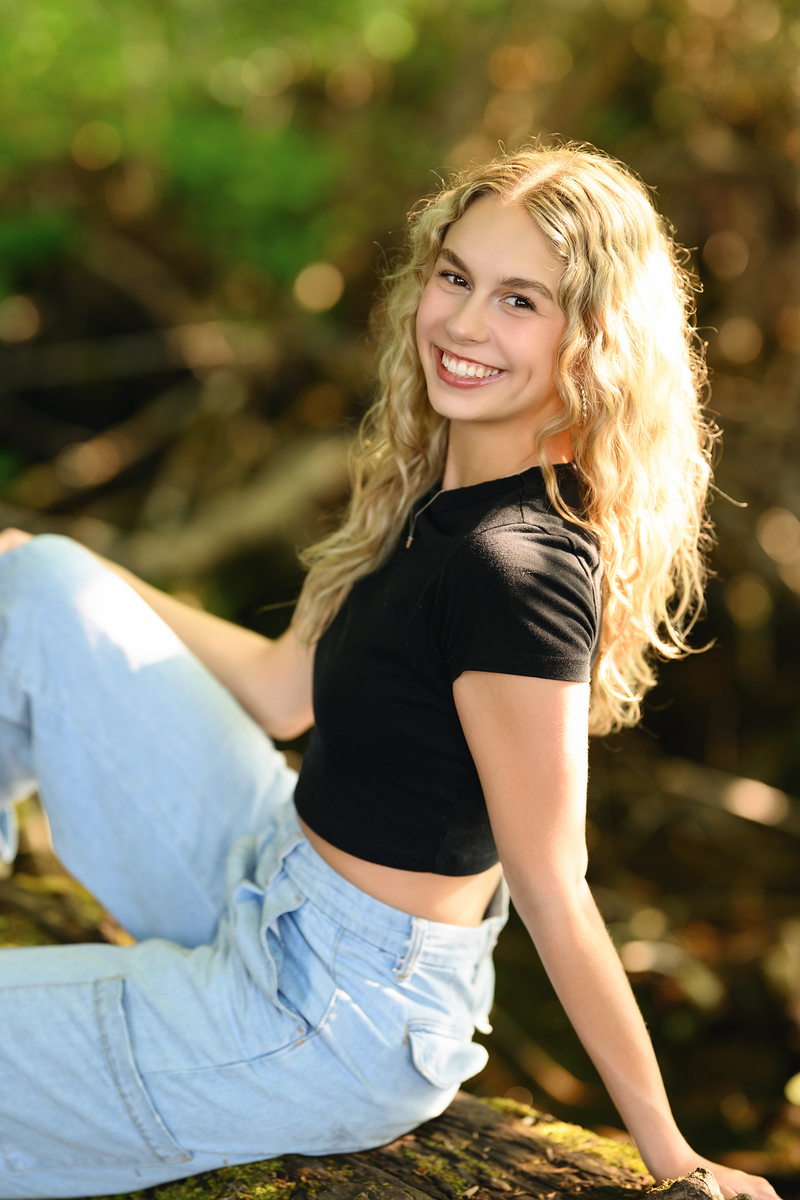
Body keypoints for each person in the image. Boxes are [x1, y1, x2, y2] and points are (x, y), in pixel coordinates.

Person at [0, 143, 778, 1200]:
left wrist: (672, 1155)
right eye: (456, 277)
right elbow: (281, 692)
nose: (464, 324)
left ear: (593, 340)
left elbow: (553, 885)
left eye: (519, 301)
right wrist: (83, 573)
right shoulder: (429, 490)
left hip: (328, 1012)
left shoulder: (513, 571)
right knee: (39, 584)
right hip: (270, 863)